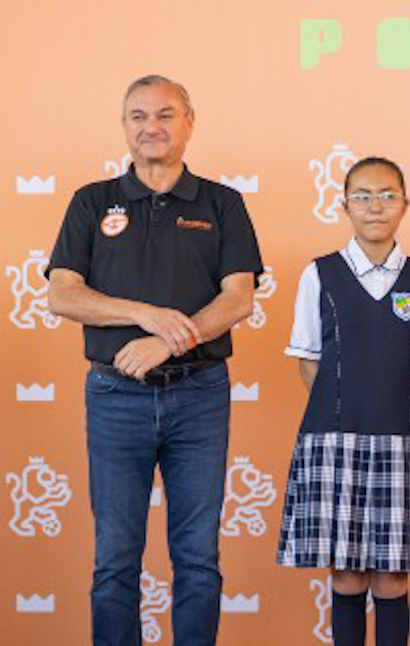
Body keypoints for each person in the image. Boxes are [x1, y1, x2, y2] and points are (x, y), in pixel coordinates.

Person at [46, 75, 262, 646]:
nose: (152, 127)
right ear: (124, 126)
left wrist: (170, 340)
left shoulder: (222, 203)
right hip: (116, 395)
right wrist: (145, 315)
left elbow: (239, 296)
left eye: (165, 115)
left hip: (200, 393)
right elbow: (62, 293)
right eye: (138, 116)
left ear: (190, 122)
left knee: (197, 556)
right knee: (115, 558)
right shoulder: (91, 202)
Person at [277, 156, 410, 646]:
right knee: (346, 575)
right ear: (344, 206)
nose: (375, 206)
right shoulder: (320, 275)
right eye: (362, 196)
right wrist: (345, 404)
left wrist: (392, 405)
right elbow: (308, 360)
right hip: (332, 439)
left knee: (393, 578)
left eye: (387, 195)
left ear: (405, 205)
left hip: (402, 442)